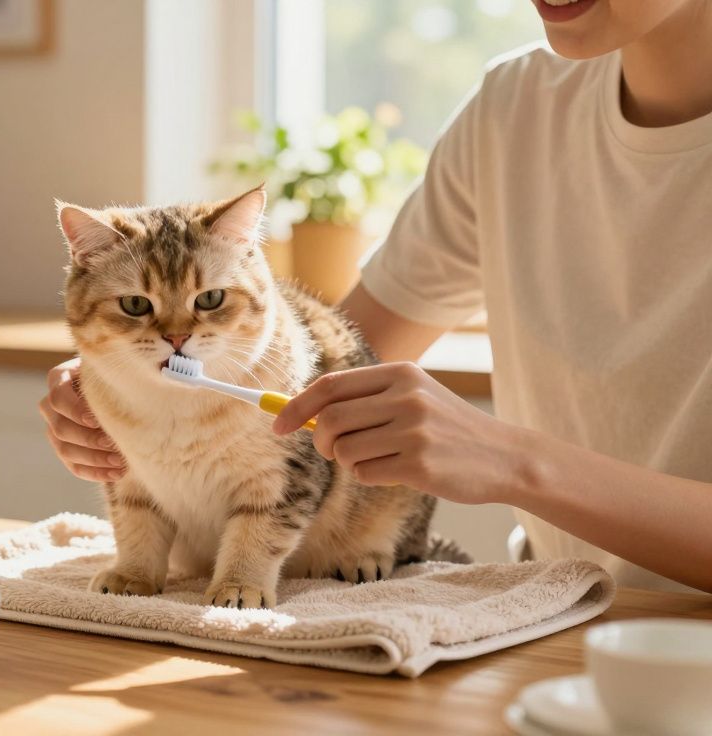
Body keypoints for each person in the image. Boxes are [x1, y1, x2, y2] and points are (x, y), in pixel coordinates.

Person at [38, 0, 712, 594]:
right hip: (559, 612)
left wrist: (516, 462)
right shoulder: (517, 106)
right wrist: (129, 391)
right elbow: (332, 372)